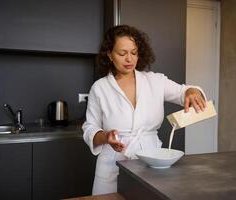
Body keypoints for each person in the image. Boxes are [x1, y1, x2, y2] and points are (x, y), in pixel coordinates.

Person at [82, 25, 206, 195]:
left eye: (133, 52)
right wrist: (106, 137)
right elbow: (90, 127)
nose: (129, 59)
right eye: (122, 53)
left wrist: (192, 91)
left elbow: (183, 91)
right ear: (109, 55)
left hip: (151, 162)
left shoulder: (155, 81)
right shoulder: (100, 88)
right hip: (111, 165)